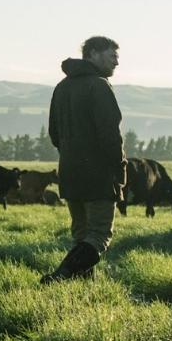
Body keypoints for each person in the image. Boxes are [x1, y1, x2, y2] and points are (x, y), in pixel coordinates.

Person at [41, 36, 125, 283]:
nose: (117, 63)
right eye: (113, 56)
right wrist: (119, 170)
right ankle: (61, 275)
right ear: (94, 54)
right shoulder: (99, 86)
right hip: (98, 175)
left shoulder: (62, 87)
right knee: (99, 236)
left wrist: (72, 155)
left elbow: (54, 134)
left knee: (82, 235)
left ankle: (85, 288)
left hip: (69, 172)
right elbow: (111, 135)